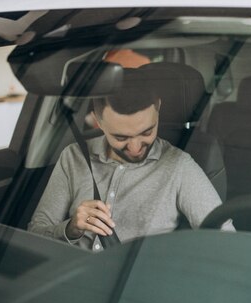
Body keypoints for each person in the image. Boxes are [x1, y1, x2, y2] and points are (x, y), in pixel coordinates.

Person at [28, 69, 228, 251]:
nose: (135, 148)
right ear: (98, 122)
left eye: (147, 132)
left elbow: (226, 241)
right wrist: (70, 229)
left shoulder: (179, 166)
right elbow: (35, 233)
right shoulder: (74, 157)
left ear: (158, 107)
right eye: (120, 137)